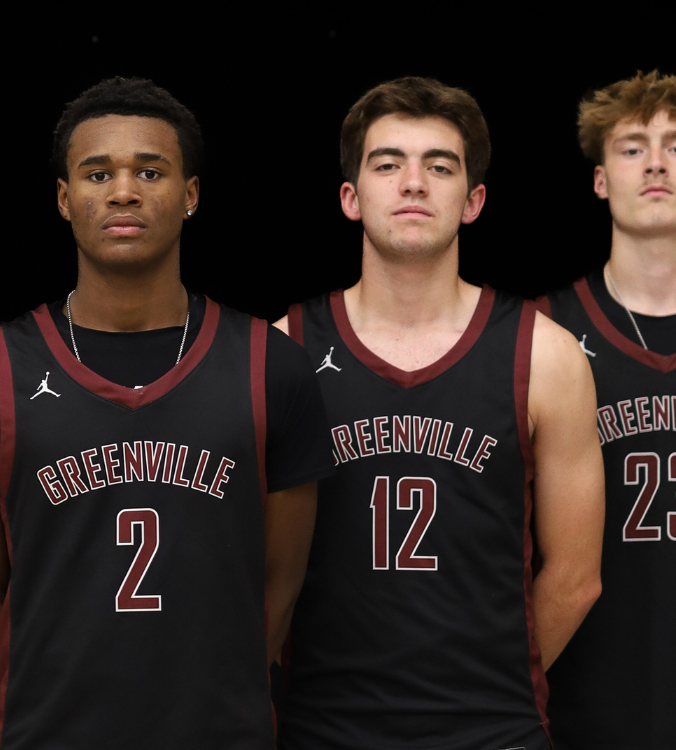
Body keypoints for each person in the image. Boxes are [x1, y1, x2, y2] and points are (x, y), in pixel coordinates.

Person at [0, 76, 334, 748]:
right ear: (63, 198)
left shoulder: (270, 366)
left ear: (190, 195)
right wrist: (53, 709)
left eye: (150, 170)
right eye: (96, 174)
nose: (122, 191)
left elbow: (280, 585)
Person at [275, 77, 605, 749]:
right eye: (387, 163)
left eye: (439, 165)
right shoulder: (281, 349)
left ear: (472, 199)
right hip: (323, 726)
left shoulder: (545, 355)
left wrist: (485, 686)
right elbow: (244, 568)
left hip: (492, 729)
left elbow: (574, 579)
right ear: (350, 197)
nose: (413, 183)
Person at [540, 70, 676, 749]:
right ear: (599, 180)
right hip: (580, 705)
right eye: (631, 147)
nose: (655, 163)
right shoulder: (542, 336)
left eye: (674, 144)